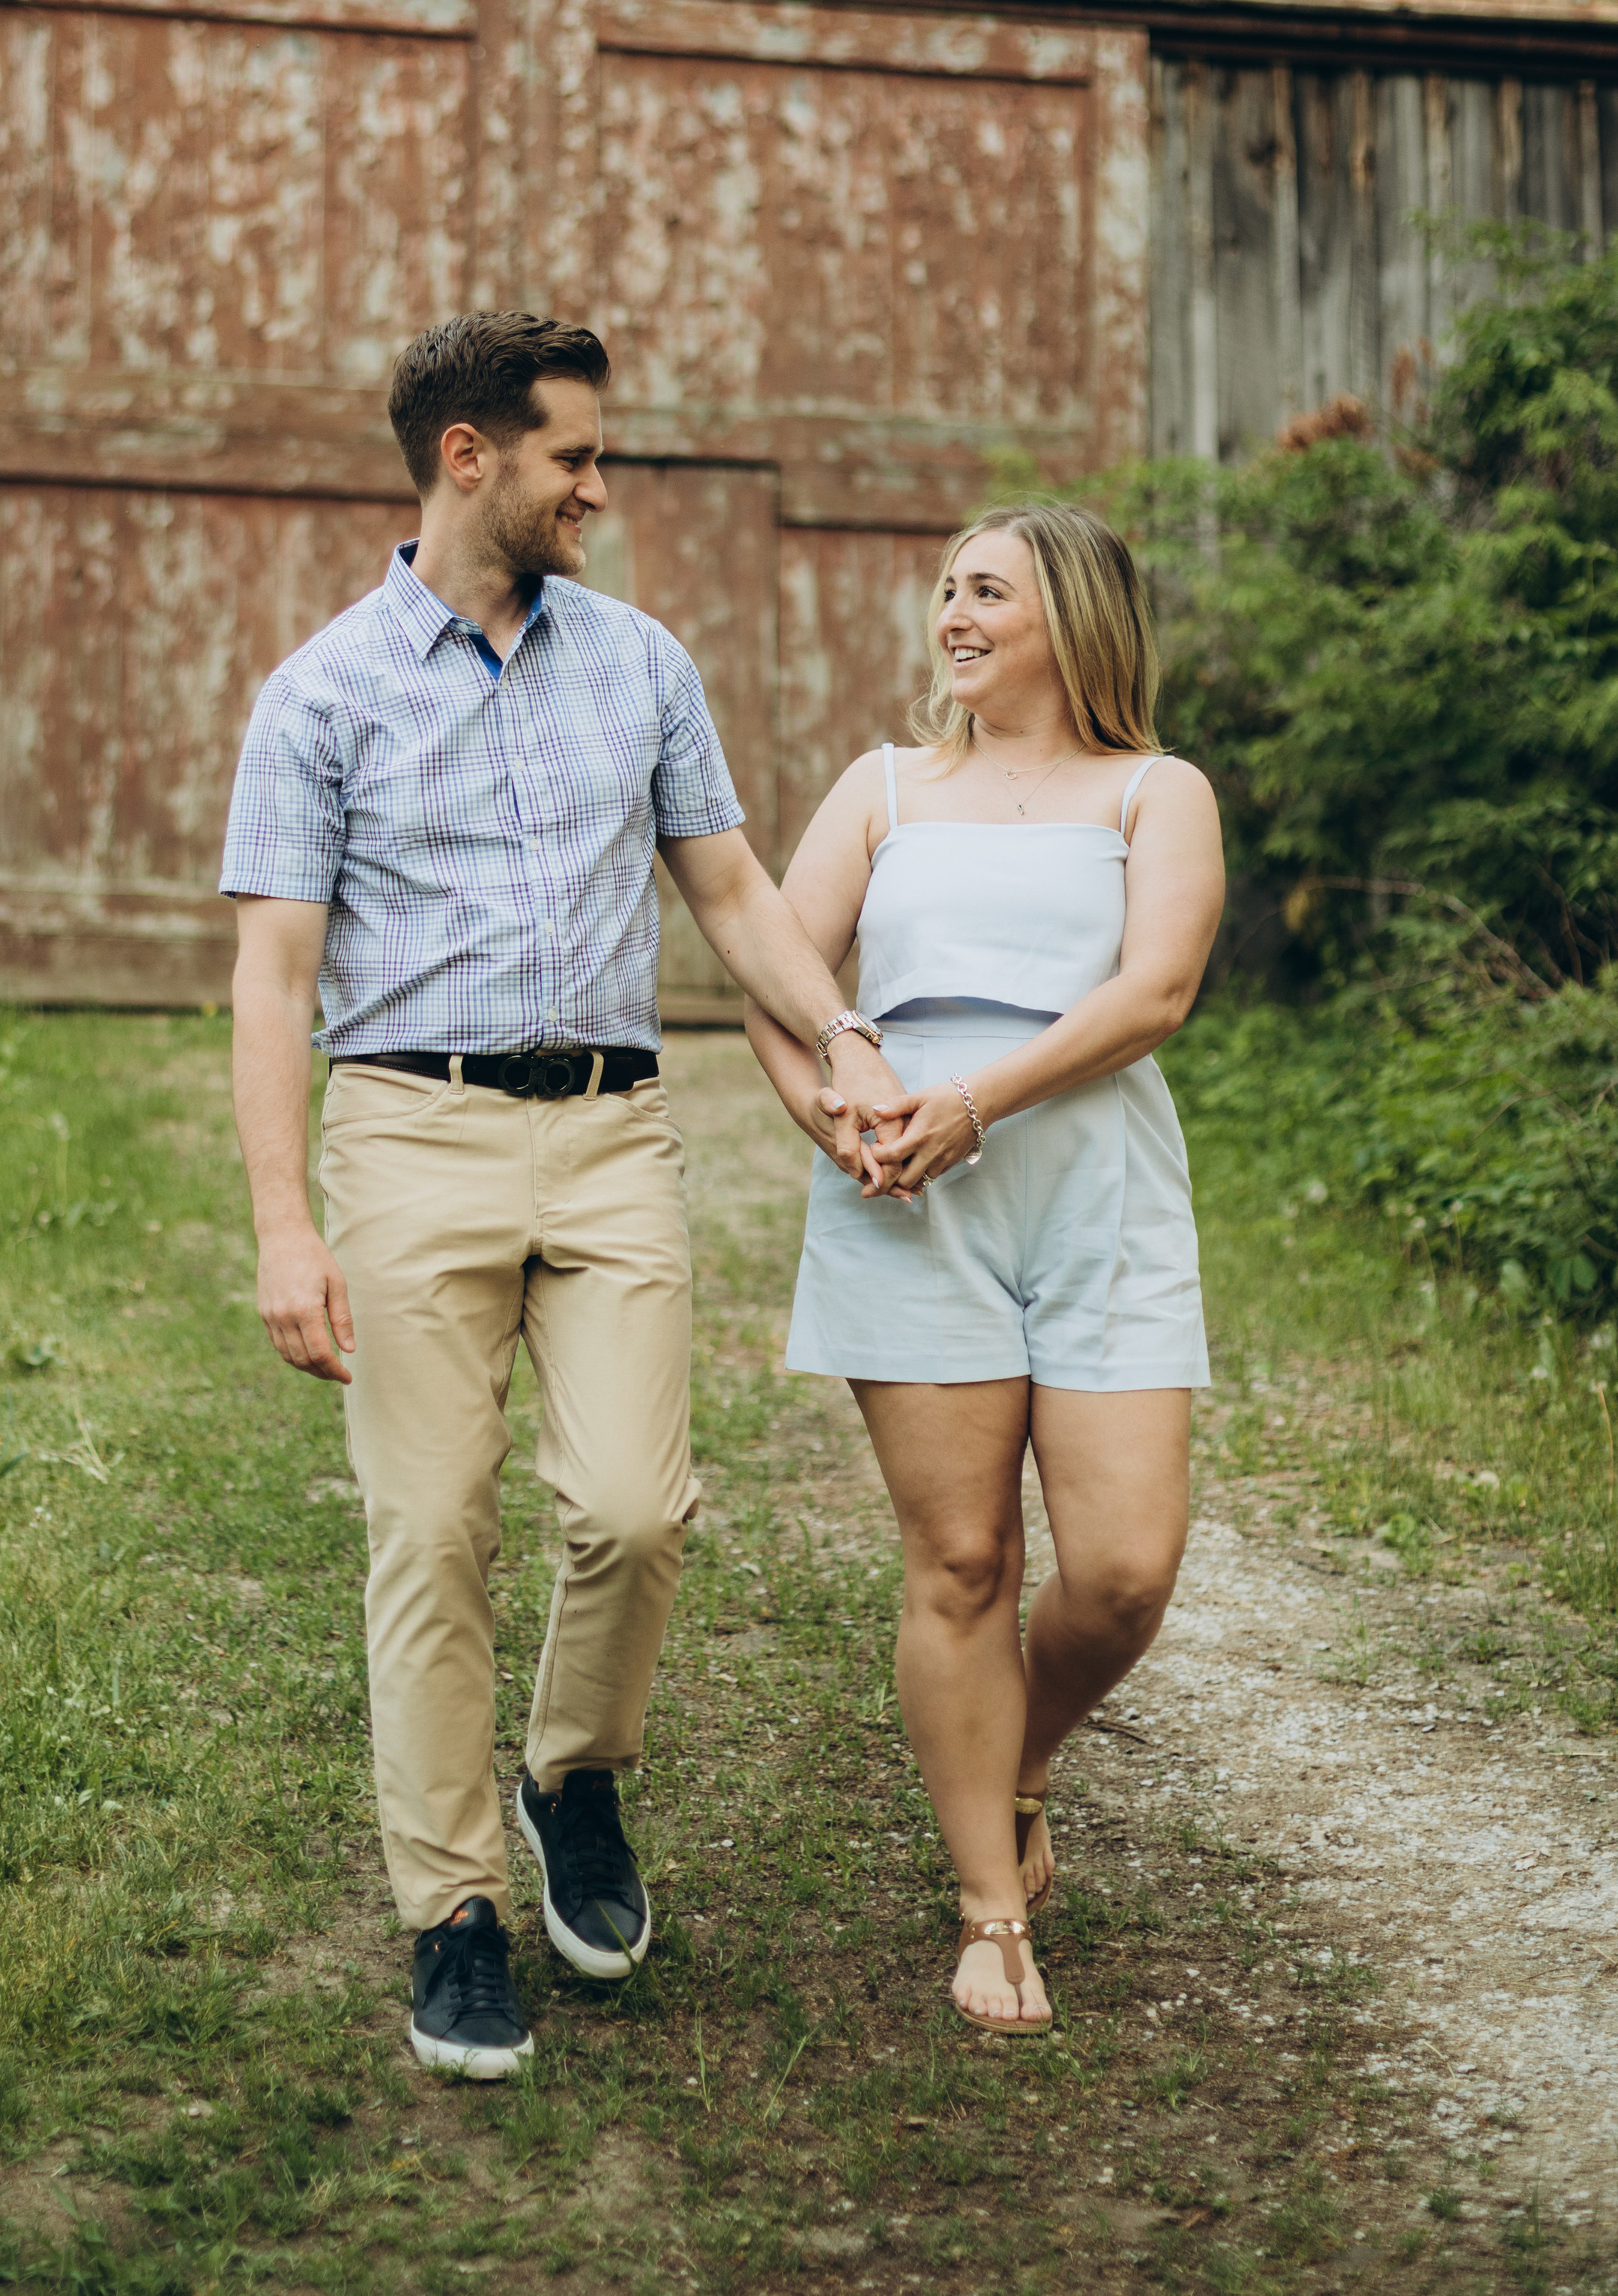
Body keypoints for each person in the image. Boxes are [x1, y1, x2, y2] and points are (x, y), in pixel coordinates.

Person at [220, 311, 905, 2079]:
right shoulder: (320, 695)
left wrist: (845, 1040)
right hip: (409, 1134)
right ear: (469, 457)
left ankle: (569, 1776)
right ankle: (450, 1911)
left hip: (610, 1135)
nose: (599, 484)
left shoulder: (640, 665)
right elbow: (273, 982)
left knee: (633, 1508)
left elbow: (736, 896)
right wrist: (286, 1227)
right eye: (573, 458)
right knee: (429, 1534)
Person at [744, 501, 1225, 2036]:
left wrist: (975, 1102)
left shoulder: (1155, 792)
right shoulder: (880, 790)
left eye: (987, 594)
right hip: (910, 1201)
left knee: (1122, 1569)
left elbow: (1152, 992)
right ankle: (989, 1914)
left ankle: (1018, 1761)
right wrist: (839, 1117)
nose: (952, 616)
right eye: (945, 591)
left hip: (1095, 1192)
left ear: (1069, 621)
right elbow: (774, 981)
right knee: (961, 1562)